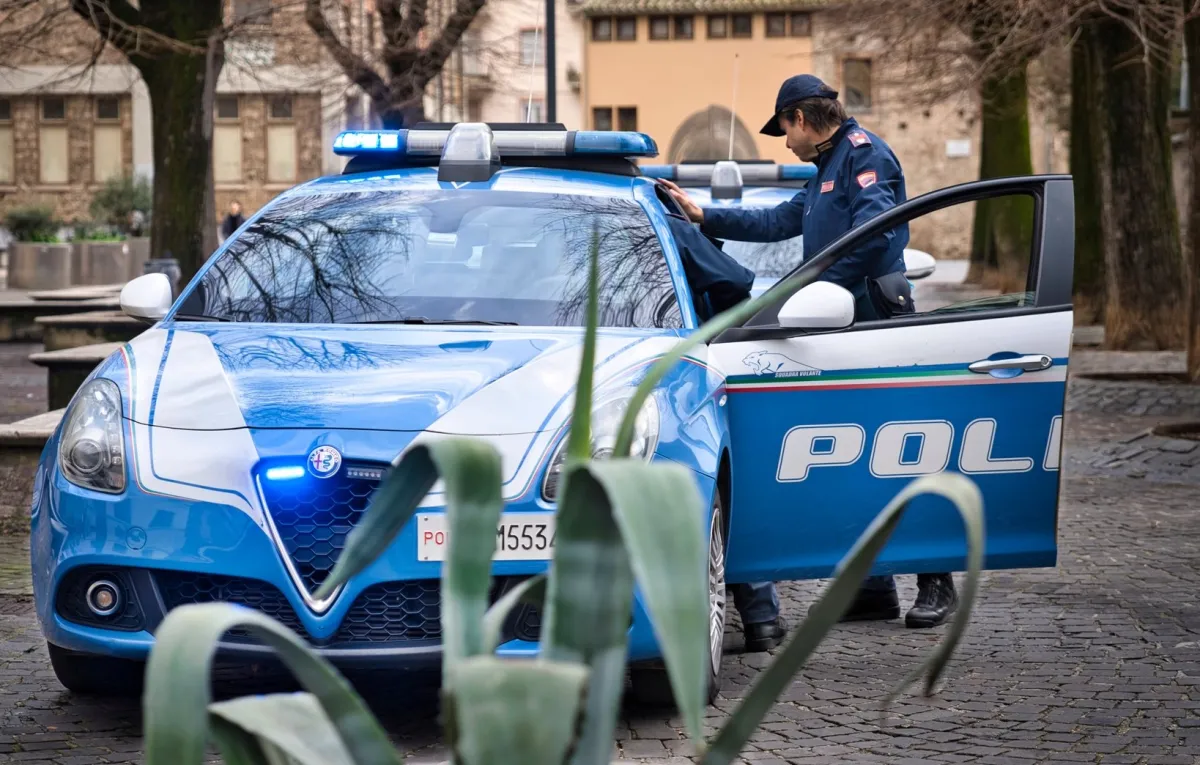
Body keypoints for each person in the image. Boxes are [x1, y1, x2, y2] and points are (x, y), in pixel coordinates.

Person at [660, 73, 958, 630]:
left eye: (784, 131)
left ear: (800, 117)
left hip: (873, 318)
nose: (785, 143)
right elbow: (779, 220)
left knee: (902, 451)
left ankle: (937, 580)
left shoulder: (864, 155)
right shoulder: (827, 168)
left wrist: (819, 287)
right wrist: (707, 216)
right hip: (838, 319)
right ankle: (873, 586)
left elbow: (873, 232)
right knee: (858, 454)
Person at [661, 213, 789, 653]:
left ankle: (761, 617)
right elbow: (734, 282)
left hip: (676, 365)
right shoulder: (652, 216)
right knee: (725, 484)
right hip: (686, 360)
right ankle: (761, 618)